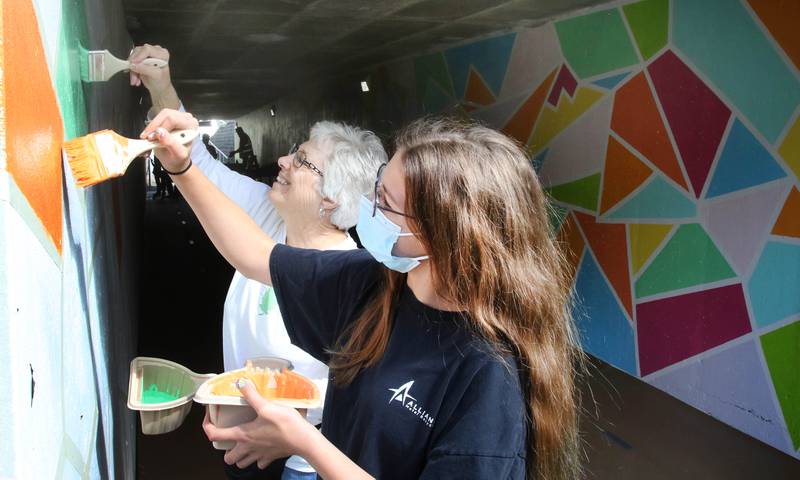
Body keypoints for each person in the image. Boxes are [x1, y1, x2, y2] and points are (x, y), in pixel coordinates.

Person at [141, 108, 584, 480]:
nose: (366, 205)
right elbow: (255, 255)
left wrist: (304, 443)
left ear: (438, 235)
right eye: (377, 185)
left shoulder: (487, 375)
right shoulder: (374, 283)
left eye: (385, 199)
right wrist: (181, 166)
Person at [130, 46, 387, 480]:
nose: (283, 160)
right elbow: (200, 168)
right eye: (293, 150)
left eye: (301, 160)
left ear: (331, 199)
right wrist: (161, 85)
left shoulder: (355, 279)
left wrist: (288, 432)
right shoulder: (270, 216)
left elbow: (363, 392)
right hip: (239, 436)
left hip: (301, 462)